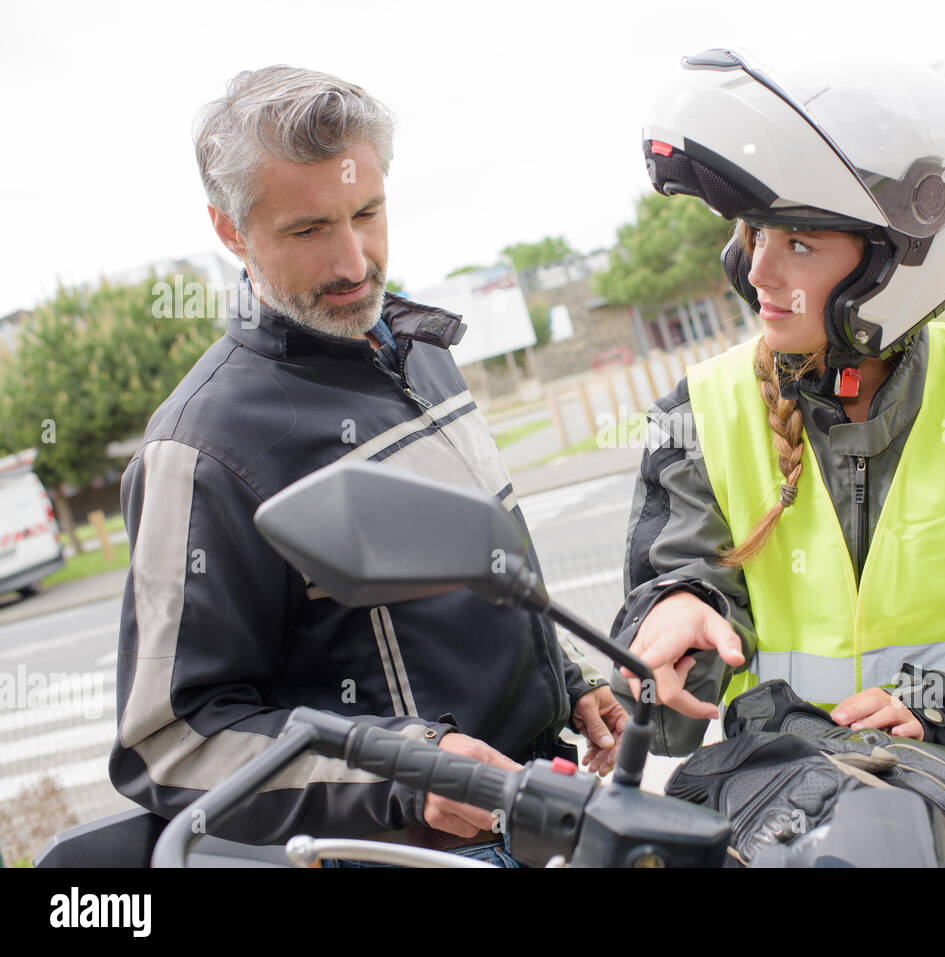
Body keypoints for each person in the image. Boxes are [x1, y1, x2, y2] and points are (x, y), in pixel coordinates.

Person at [109, 65, 626, 865]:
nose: (355, 263)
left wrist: (568, 679)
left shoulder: (423, 355)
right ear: (229, 230)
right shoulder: (198, 447)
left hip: (544, 809)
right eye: (309, 230)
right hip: (413, 854)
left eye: (368, 212)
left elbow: (476, 576)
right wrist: (408, 773)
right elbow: (171, 743)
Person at [610, 47, 945, 791]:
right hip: (783, 814)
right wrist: (675, 623)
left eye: (799, 243)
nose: (756, 272)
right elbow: (672, 700)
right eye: (754, 236)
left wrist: (940, 706)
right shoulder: (696, 418)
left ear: (899, 258)